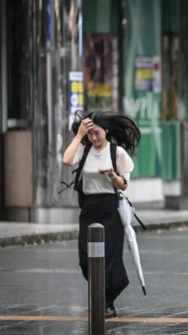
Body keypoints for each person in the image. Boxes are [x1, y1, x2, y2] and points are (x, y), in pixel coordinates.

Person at [62, 112, 141, 319]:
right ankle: (105, 297)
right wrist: (79, 136)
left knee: (109, 260)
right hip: (89, 208)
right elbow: (66, 160)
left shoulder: (117, 153)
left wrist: (112, 175)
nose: (94, 138)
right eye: (90, 134)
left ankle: (106, 302)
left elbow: (124, 185)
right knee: (86, 260)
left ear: (106, 131)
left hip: (110, 208)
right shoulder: (84, 149)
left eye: (97, 133)